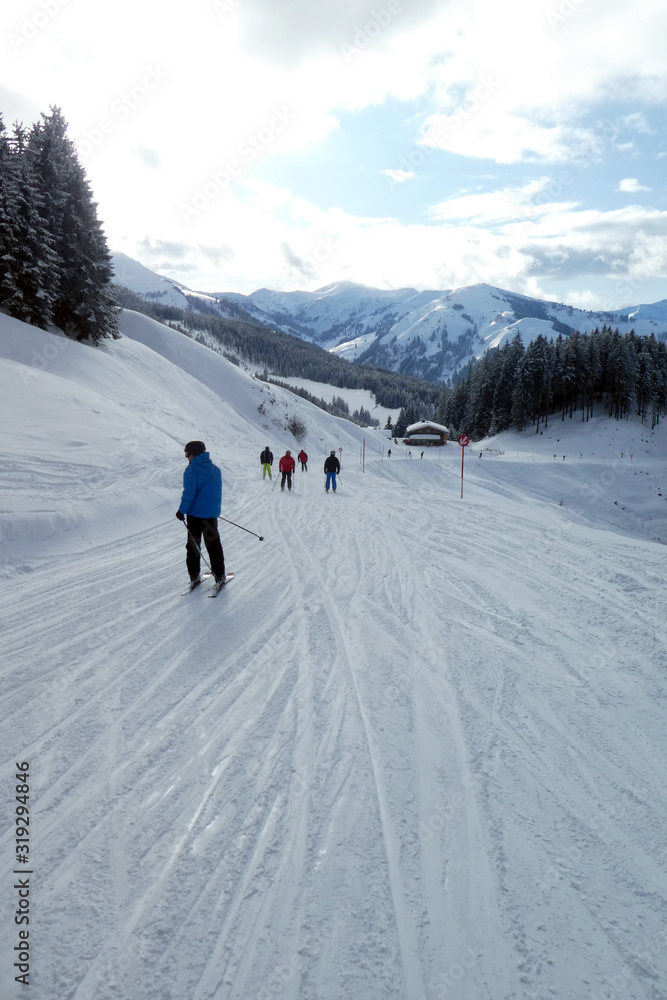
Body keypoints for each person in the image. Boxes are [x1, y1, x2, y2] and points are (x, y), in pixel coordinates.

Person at [175, 441, 225, 587]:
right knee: (213, 545)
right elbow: (216, 493)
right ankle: (220, 575)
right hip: (210, 516)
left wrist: (181, 511)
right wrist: (213, 510)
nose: (186, 457)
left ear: (194, 453)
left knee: (193, 547)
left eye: (187, 454)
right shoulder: (216, 470)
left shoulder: (192, 470)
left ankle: (194, 576)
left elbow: (189, 493)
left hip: (195, 516)